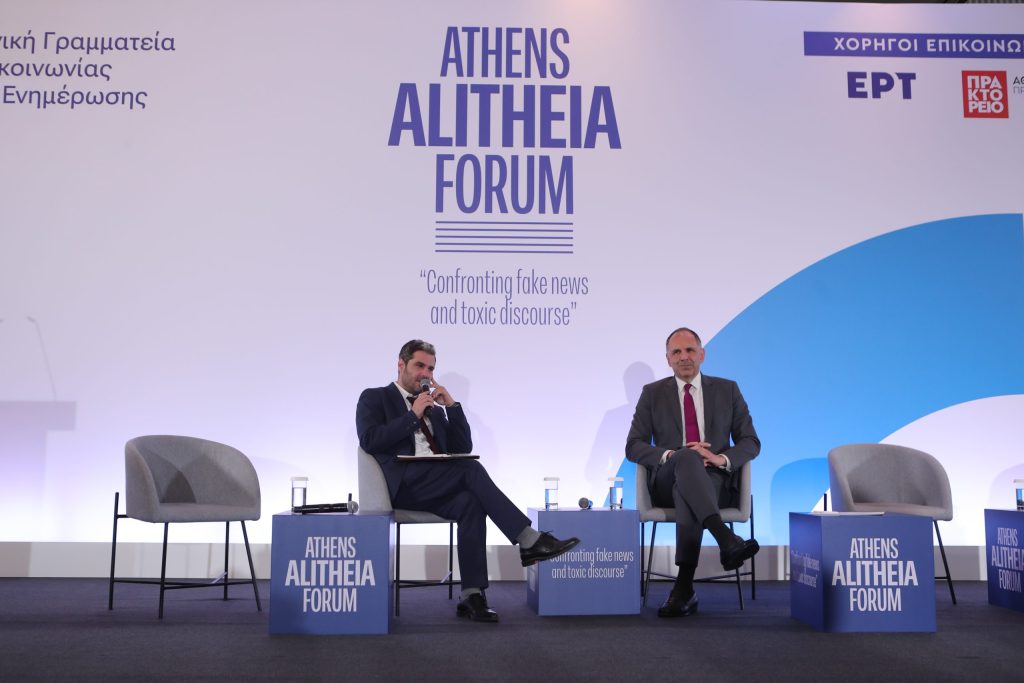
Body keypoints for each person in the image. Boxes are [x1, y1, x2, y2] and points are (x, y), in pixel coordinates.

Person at [356, 339, 580, 623]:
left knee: (471, 502)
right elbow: (370, 440)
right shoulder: (375, 397)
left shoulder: (433, 408)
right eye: (419, 366)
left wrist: (452, 407)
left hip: (436, 484)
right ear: (401, 364)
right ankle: (528, 539)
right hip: (403, 485)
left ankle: (472, 595)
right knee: (471, 471)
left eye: (430, 369)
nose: (425, 374)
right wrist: (412, 416)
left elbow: (461, 449)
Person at [625, 327, 760, 617]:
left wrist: (720, 458)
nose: (684, 357)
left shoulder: (728, 390)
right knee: (686, 458)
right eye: (676, 352)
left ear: (702, 354)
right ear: (668, 359)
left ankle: (684, 588)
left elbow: (751, 441)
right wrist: (671, 455)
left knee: (687, 491)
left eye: (689, 350)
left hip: (715, 481)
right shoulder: (652, 394)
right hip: (667, 479)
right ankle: (725, 539)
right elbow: (633, 446)